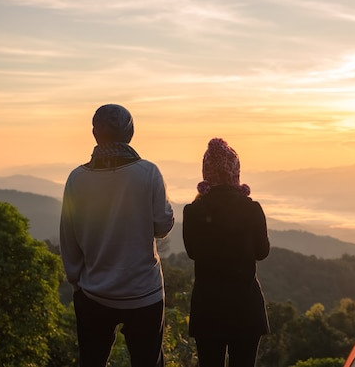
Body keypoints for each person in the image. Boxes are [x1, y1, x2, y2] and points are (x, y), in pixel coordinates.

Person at [60, 104, 174, 367]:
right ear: (130, 133)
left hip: (93, 292)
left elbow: (69, 238)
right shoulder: (148, 173)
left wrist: (77, 282)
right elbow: (162, 226)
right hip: (143, 292)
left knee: (92, 361)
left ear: (94, 132)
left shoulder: (77, 178)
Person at [183, 138, 270, 367]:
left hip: (207, 308)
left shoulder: (193, 211)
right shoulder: (251, 208)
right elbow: (262, 252)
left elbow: (192, 252)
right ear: (235, 171)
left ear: (206, 172)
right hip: (245, 308)